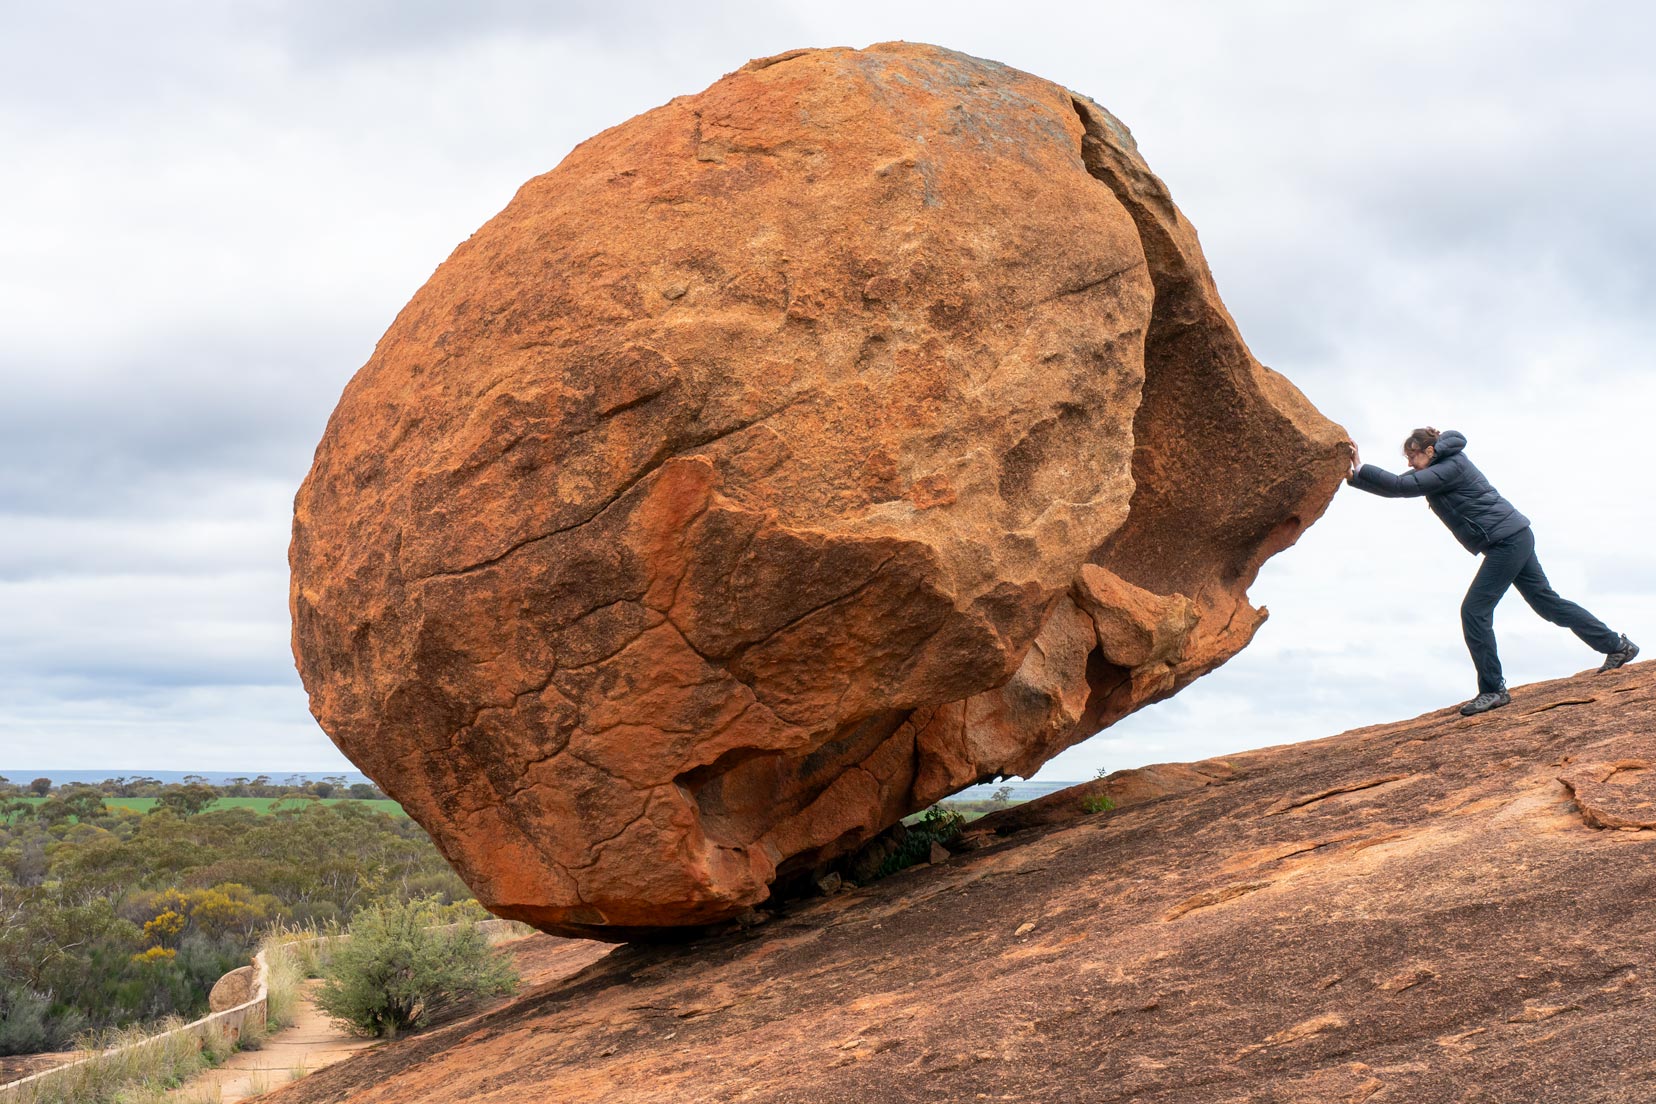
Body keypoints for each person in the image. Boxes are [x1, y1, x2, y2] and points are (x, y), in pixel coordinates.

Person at [1344, 427, 1638, 715]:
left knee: (1474, 611)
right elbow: (1397, 488)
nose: (1409, 463)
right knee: (1547, 604)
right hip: (1513, 536)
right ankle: (1616, 645)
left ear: (1429, 451)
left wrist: (1361, 467)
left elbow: (1400, 485)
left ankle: (1493, 689)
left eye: (1412, 456)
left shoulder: (1451, 466)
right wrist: (1355, 478)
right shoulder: (1439, 468)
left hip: (1507, 542)